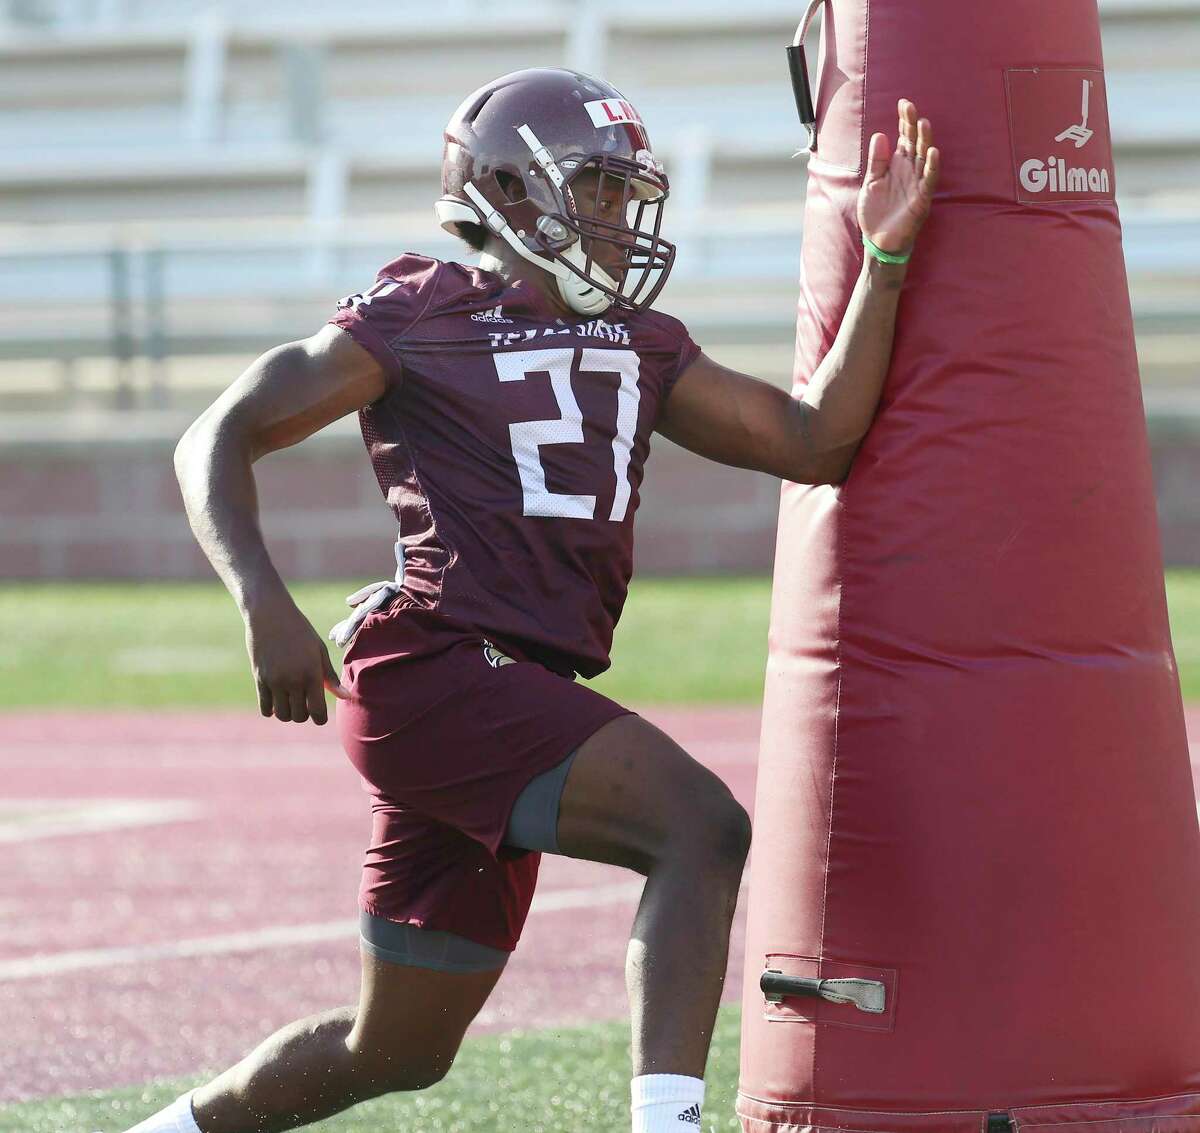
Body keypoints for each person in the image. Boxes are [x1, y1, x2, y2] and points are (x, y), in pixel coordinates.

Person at [134, 67, 938, 1133]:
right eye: (598, 189)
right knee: (698, 827)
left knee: (397, 1048)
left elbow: (814, 439)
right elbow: (217, 432)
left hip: (512, 693)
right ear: (512, 196)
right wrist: (260, 599)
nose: (618, 218)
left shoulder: (646, 345)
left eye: (623, 192)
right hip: (436, 667)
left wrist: (883, 261)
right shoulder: (419, 311)